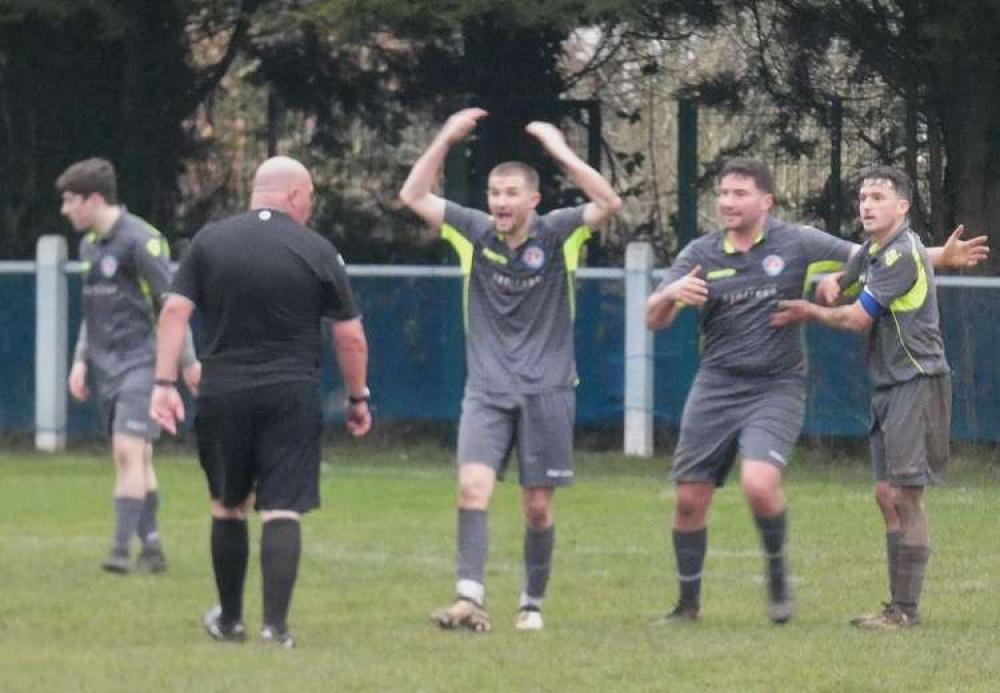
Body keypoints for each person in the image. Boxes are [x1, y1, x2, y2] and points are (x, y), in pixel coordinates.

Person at [646, 158, 987, 625]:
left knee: (778, 486)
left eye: (739, 193)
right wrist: (667, 296)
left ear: (766, 201)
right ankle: (687, 606)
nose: (727, 202)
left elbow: (873, 271)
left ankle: (883, 607)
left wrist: (936, 259)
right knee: (692, 497)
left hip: (820, 382)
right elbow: (653, 319)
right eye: (722, 193)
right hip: (723, 383)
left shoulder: (798, 240)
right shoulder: (701, 253)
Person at [399, 108, 622, 632]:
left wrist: (560, 150)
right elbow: (413, 196)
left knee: (537, 509)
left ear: (532, 200)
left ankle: (531, 602)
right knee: (472, 488)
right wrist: (444, 138)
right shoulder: (472, 233)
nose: (499, 203)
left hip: (548, 390)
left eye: (509, 194)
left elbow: (608, 203)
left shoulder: (559, 234)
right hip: (487, 391)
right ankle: (469, 599)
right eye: (494, 194)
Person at [150, 156, 372, 648]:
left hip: (222, 390)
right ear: (294, 194)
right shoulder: (317, 249)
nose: (311, 208)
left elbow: (174, 313)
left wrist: (164, 384)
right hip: (290, 393)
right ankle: (276, 628)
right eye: (310, 198)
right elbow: (351, 337)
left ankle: (230, 620)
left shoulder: (209, 240)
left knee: (228, 505)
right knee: (281, 507)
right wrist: (358, 397)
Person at [770, 166, 969, 629]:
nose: (867, 204)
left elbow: (857, 319)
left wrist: (810, 310)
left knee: (906, 495)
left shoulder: (901, 253)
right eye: (862, 196)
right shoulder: (873, 249)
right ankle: (897, 606)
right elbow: (850, 275)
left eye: (878, 196)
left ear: (902, 207)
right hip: (888, 383)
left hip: (916, 382)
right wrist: (834, 282)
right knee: (886, 494)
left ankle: (906, 612)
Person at [57, 157, 200, 575]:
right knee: (139, 458)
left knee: (127, 451)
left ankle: (119, 552)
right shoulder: (89, 246)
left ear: (94, 199)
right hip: (106, 365)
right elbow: (93, 309)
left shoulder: (142, 241)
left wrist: (186, 364)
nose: (65, 210)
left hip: (144, 362)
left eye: (70, 201)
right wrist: (80, 360)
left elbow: (171, 308)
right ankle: (152, 547)